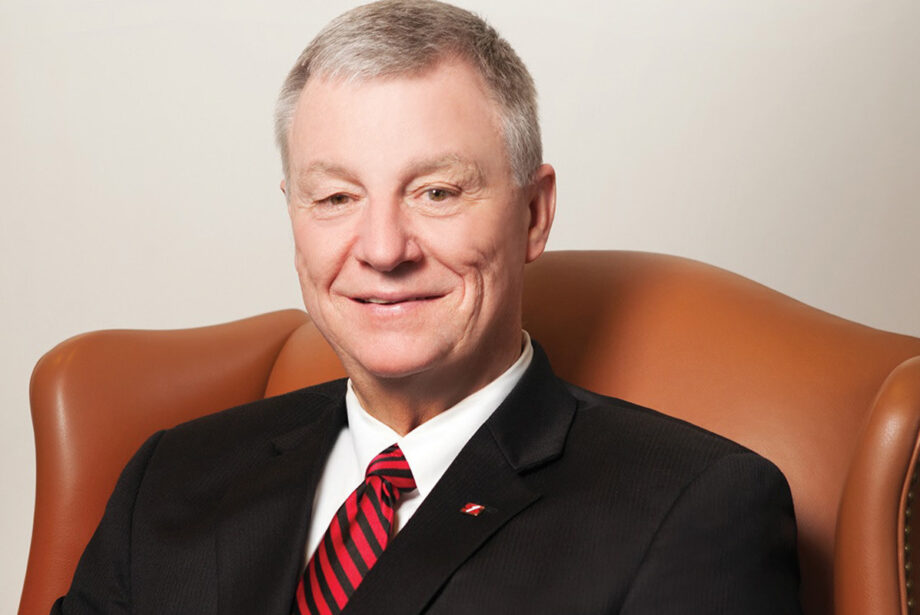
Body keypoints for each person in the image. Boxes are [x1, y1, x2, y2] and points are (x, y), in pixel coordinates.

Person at [52, 1, 802, 613]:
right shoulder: (172, 473)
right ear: (293, 215)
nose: (382, 248)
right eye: (336, 197)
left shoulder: (694, 506)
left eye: (436, 191)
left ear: (534, 214)